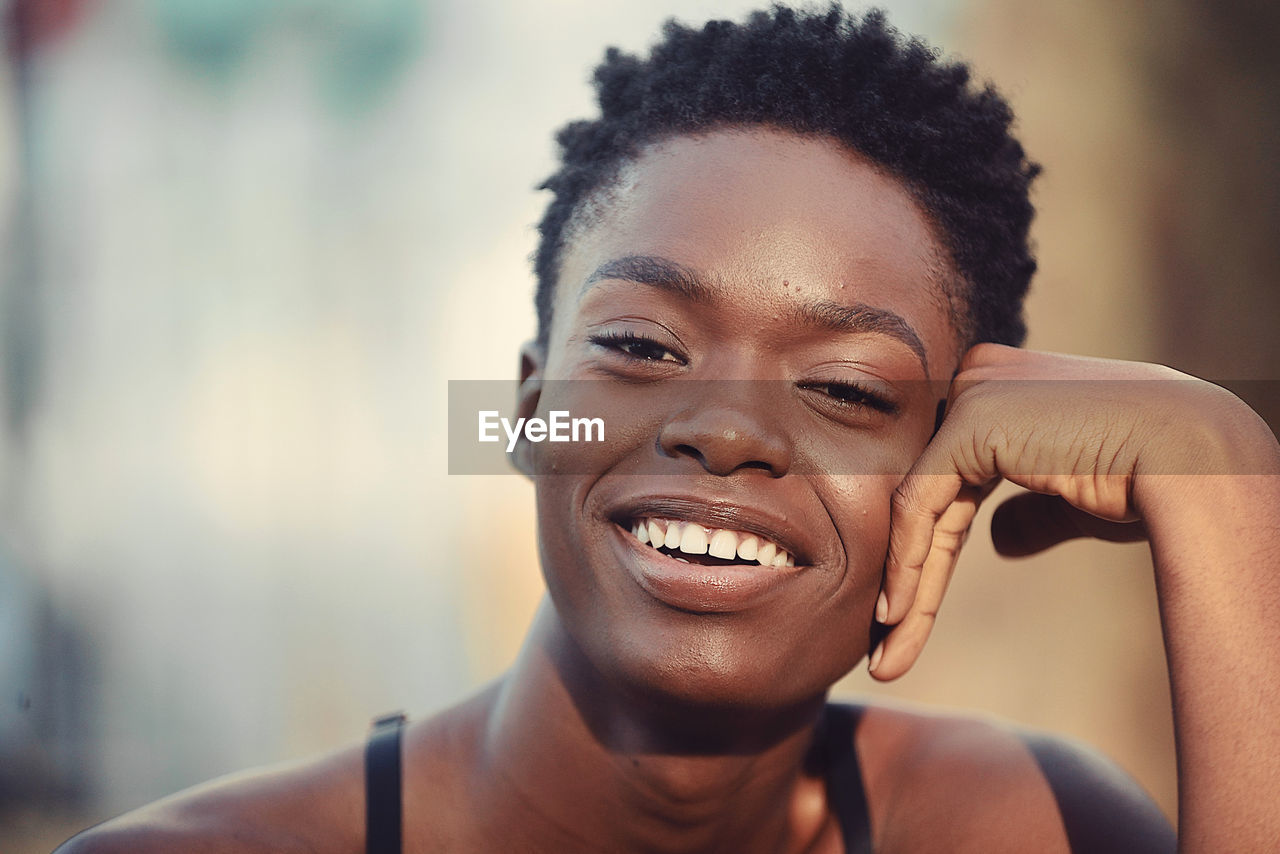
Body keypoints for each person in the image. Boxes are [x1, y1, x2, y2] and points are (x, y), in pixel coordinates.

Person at [56, 5, 1279, 852]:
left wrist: (1225, 484)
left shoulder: (1021, 824)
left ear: (949, 472)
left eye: (848, 389)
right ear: (529, 407)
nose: (725, 432)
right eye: (641, 347)